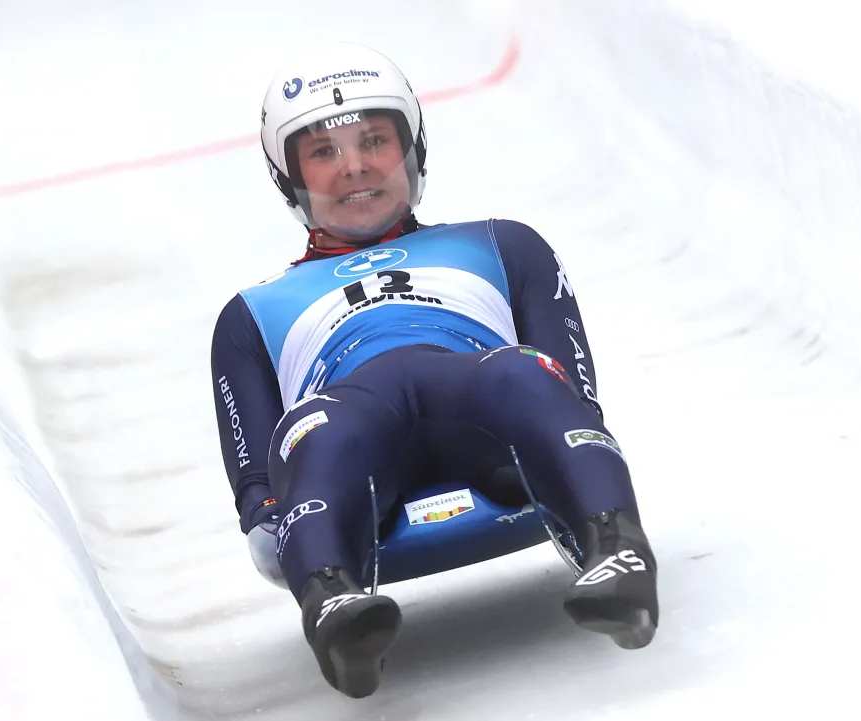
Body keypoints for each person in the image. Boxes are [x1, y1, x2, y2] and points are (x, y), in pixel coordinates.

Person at [210, 42, 659, 699]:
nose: (354, 167)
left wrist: (565, 446)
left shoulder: (502, 242)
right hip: (350, 427)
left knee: (521, 372)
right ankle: (333, 606)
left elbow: (571, 391)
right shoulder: (251, 312)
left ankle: (617, 549)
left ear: (413, 150)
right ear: (290, 178)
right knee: (317, 428)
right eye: (324, 152)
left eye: (373, 141)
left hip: (481, 399)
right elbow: (259, 501)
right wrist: (284, 522)